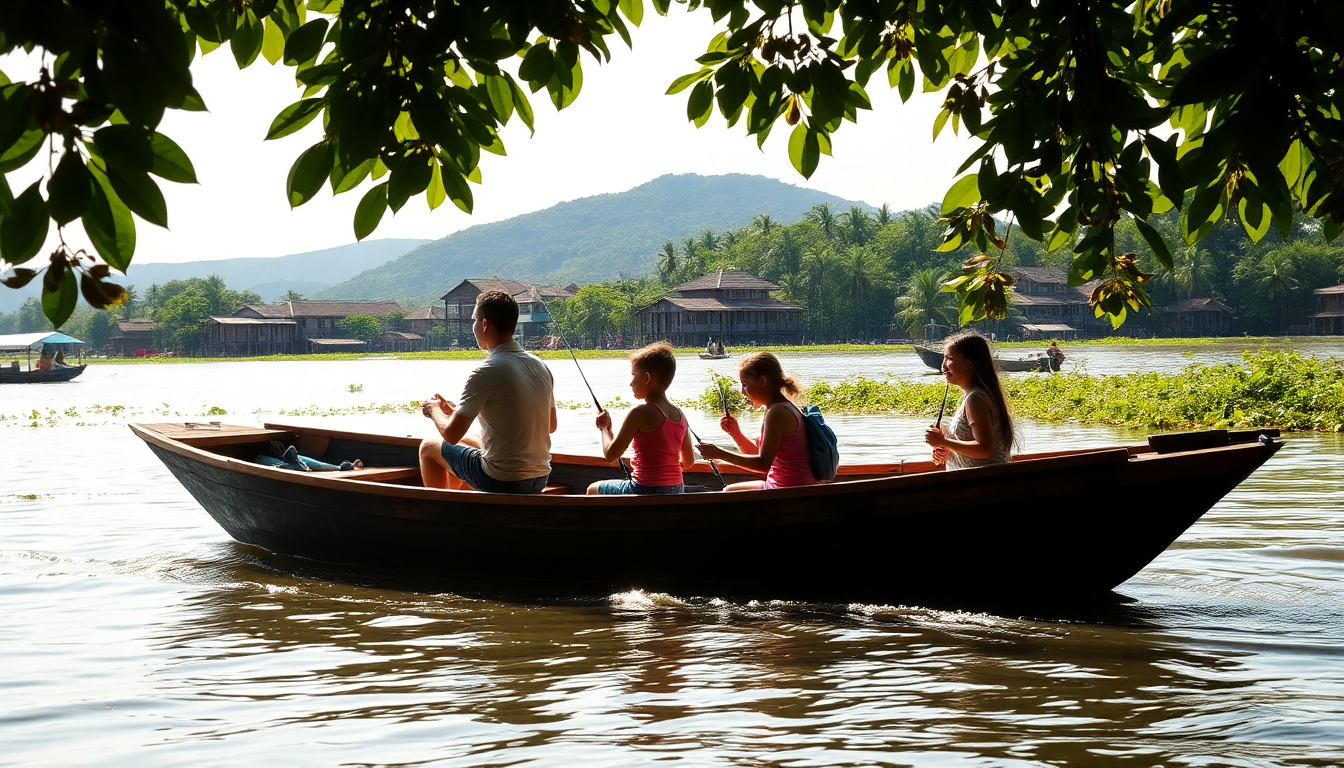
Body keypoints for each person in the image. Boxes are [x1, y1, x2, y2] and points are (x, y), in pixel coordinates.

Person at [418, 290, 557, 493]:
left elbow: (451, 435)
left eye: (474, 320)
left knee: (429, 446)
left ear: (484, 324)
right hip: (539, 477)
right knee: (471, 442)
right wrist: (454, 411)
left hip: (502, 480)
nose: (473, 326)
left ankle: (440, 513)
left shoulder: (485, 371)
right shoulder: (539, 365)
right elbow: (550, 425)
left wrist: (433, 410)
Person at [586, 342, 696, 495]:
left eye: (633, 375)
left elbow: (610, 455)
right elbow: (689, 462)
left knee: (592, 489)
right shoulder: (680, 415)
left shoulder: (640, 412)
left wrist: (603, 429)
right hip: (677, 489)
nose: (631, 383)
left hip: (645, 489)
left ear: (646, 378)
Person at [697, 352, 816, 491]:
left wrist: (720, 454)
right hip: (789, 484)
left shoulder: (777, 412)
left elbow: (763, 465)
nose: (742, 391)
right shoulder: (782, 407)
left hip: (788, 487)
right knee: (729, 490)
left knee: (728, 492)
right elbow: (759, 456)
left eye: (745, 384)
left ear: (763, 382)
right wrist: (736, 434)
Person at [924, 332, 1015, 470]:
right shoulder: (976, 395)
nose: (943, 365)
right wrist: (946, 441)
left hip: (979, 486)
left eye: (949, 358)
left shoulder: (976, 399)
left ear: (968, 363)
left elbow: (985, 450)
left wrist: (944, 442)